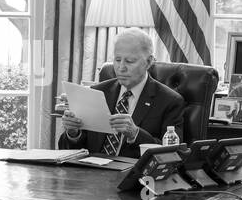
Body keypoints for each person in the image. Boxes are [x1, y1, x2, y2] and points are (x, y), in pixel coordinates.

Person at [59, 28, 187, 158]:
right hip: (91, 172)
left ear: (148, 62)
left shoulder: (170, 101)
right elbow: (70, 150)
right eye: (117, 60)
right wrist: (73, 133)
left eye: (130, 61)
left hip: (133, 174)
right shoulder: (98, 92)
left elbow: (172, 153)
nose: (121, 68)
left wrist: (135, 133)